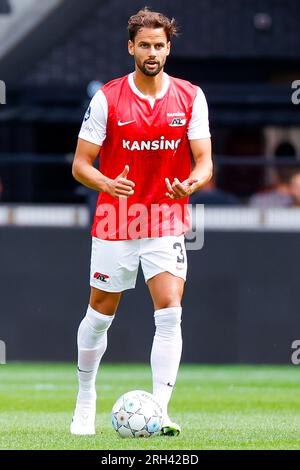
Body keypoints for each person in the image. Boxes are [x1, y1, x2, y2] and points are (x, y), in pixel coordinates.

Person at [71, 7, 212, 436]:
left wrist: (190, 184)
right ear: (131, 47)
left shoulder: (190, 96)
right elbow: (80, 165)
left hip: (166, 216)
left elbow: (205, 163)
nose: (153, 52)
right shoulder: (108, 98)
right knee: (100, 313)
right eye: (145, 45)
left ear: (169, 49)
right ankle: (85, 396)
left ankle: (160, 411)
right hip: (117, 217)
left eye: (160, 45)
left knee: (170, 312)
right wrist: (107, 183)